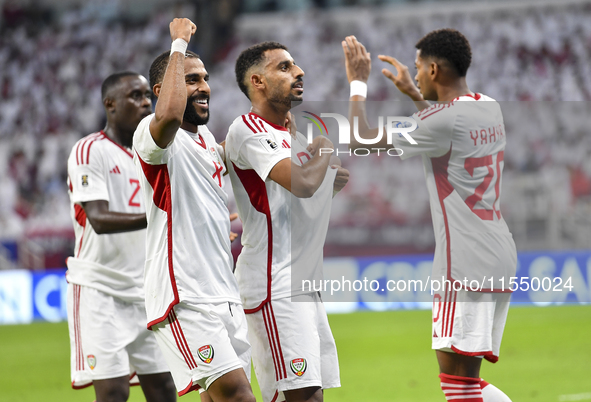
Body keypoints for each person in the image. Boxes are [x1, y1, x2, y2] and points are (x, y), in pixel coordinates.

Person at [342, 30, 515, 402]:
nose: (415, 74)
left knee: (458, 383)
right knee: (465, 379)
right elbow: (444, 132)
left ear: (434, 69)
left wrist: (358, 81)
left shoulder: (442, 120)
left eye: (419, 68)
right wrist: (415, 96)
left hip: (464, 262)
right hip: (499, 251)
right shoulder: (487, 105)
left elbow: (359, 137)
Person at [132, 18, 255, 402]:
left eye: (203, 78)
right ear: (163, 89)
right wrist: (178, 44)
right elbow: (167, 115)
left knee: (220, 397)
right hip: (184, 294)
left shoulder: (203, 140)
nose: (204, 86)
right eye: (190, 79)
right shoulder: (152, 134)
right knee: (237, 395)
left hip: (223, 290)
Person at [226, 41, 349, 402]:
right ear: (257, 81)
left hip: (301, 283)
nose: (299, 72)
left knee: (304, 395)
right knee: (303, 395)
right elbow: (305, 184)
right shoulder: (247, 128)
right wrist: (324, 149)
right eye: (284, 67)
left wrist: (330, 183)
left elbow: (300, 198)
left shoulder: (289, 136)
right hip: (272, 283)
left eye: (295, 65)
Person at [66, 71, 177, 402]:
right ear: (109, 104)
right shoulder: (90, 150)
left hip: (147, 291)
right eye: (135, 96)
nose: (146, 103)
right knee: (113, 393)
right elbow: (98, 218)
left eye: (147, 96)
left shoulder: (154, 155)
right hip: (101, 290)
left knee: (164, 389)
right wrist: (159, 216)